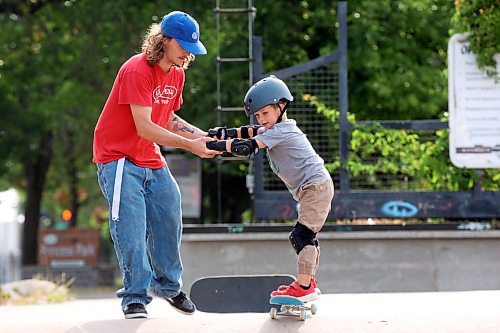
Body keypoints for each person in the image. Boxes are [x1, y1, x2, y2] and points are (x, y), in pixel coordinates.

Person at [93, 11, 220, 319]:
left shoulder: (177, 73)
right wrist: (190, 146)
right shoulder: (137, 70)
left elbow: (169, 117)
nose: (189, 53)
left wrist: (204, 137)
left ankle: (167, 286)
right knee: (131, 227)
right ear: (165, 41)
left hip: (148, 155)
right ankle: (135, 296)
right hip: (118, 156)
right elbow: (145, 127)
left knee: (169, 212)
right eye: (184, 46)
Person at [207, 75, 334, 302]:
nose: (261, 119)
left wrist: (214, 145)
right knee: (306, 236)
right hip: (313, 188)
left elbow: (248, 146)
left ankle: (304, 286)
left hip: (316, 187)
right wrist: (225, 132)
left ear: (282, 106)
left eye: (265, 113)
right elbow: (249, 131)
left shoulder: (282, 131)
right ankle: (308, 282)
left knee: (302, 236)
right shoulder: (273, 128)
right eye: (257, 115)